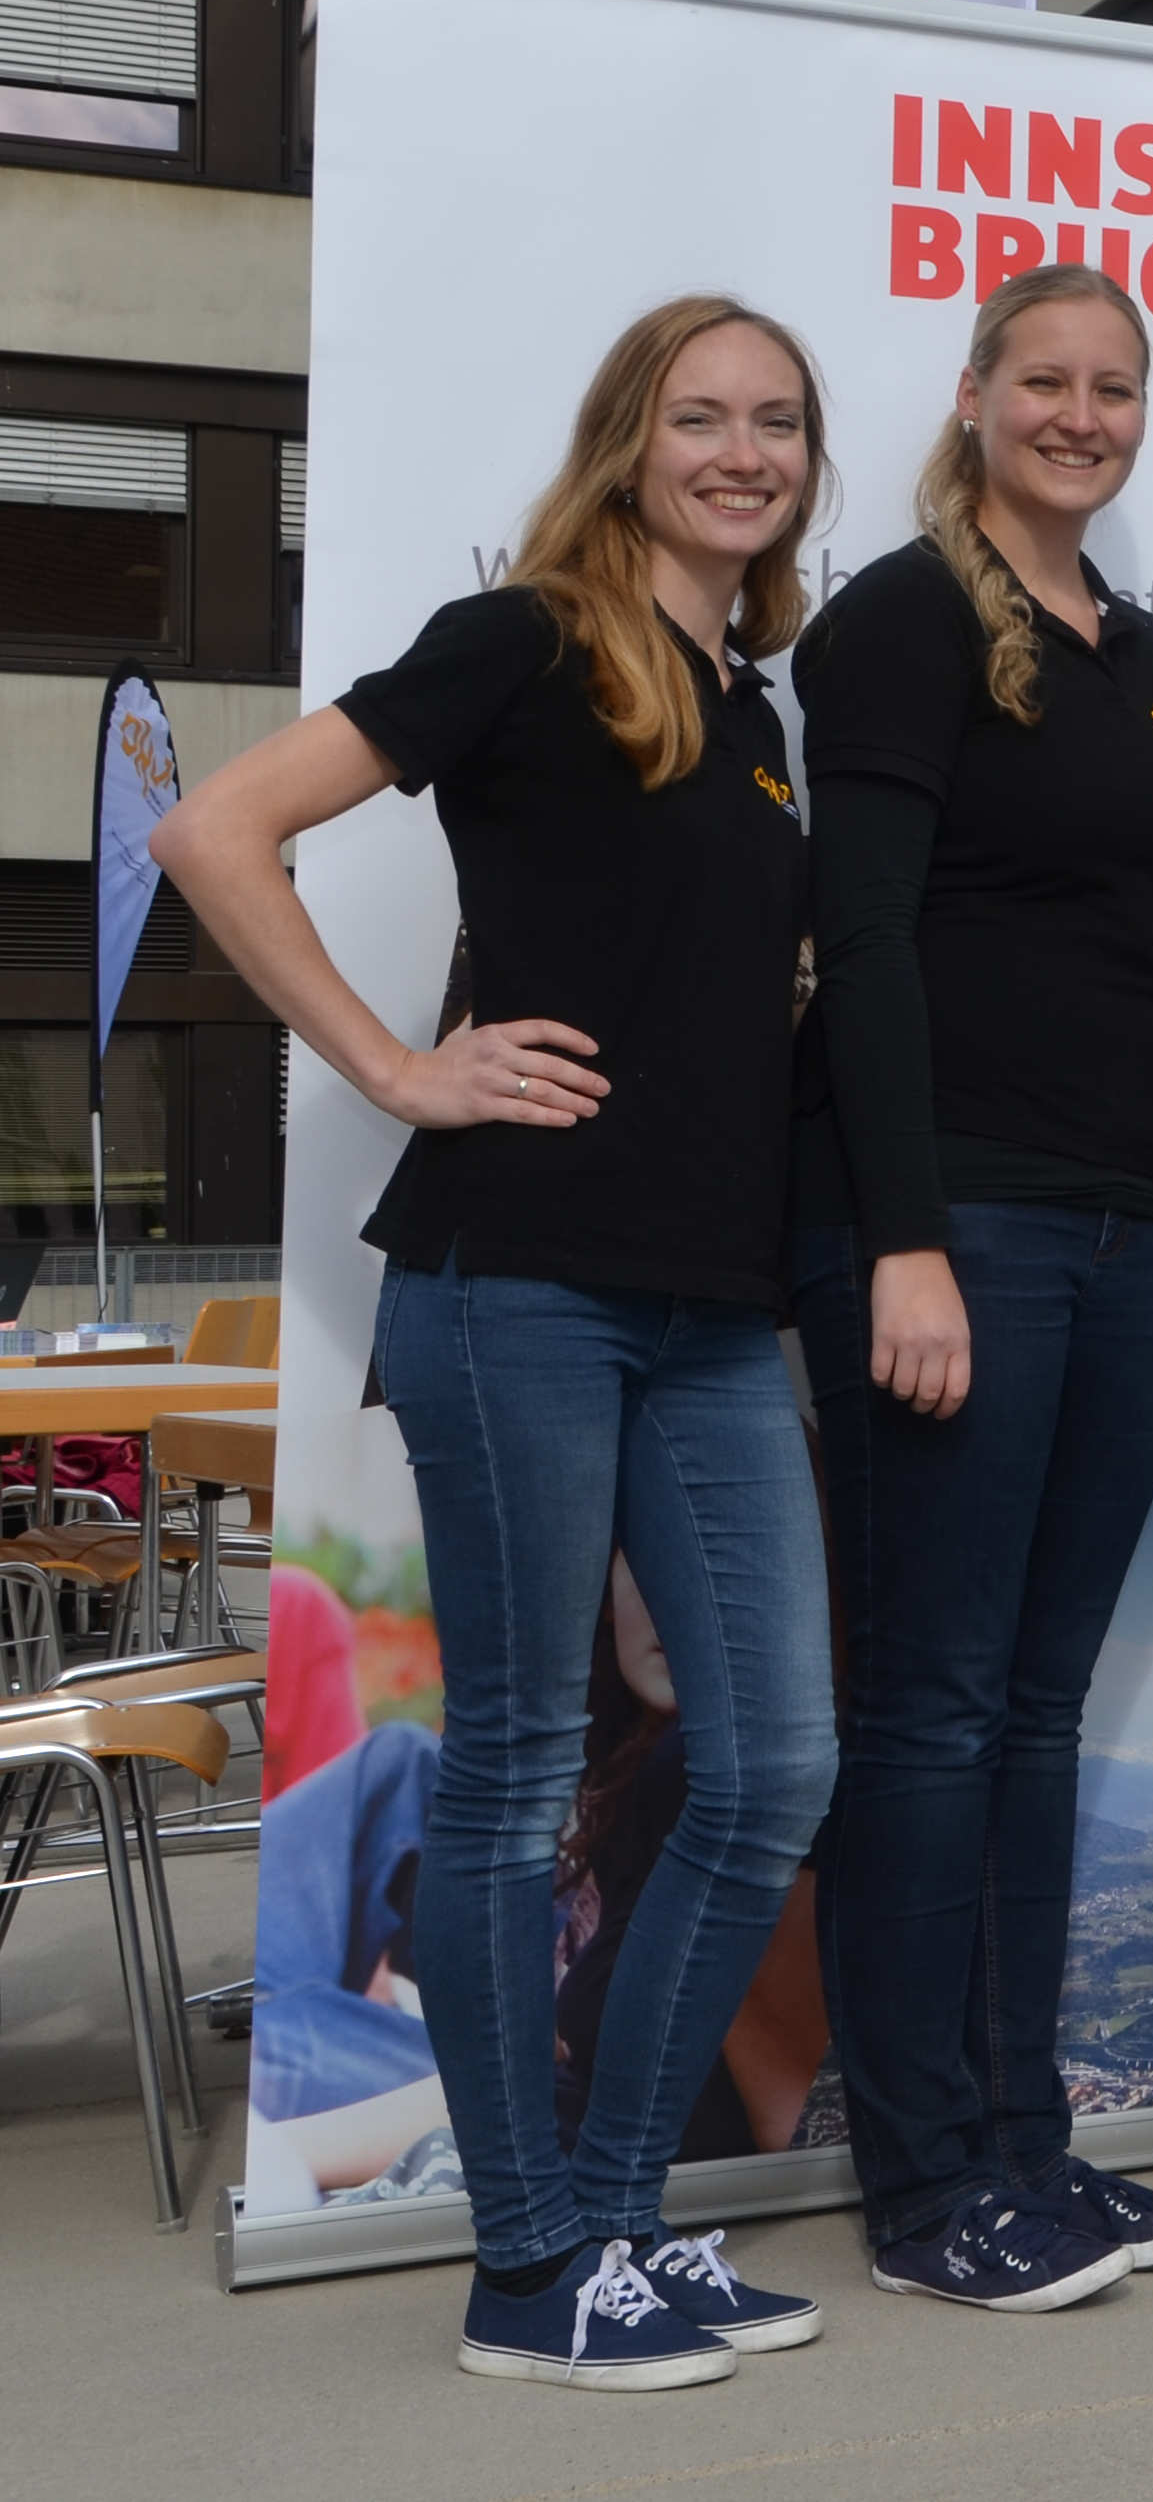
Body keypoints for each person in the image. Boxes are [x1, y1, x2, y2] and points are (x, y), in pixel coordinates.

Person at [155, 296, 840, 2387]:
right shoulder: (530, 638)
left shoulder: (753, 698)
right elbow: (215, 826)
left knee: (772, 1761)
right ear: (628, 438)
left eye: (779, 423)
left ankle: (619, 2223)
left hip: (714, 1315)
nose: (743, 450)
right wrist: (396, 1064)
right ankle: (528, 2261)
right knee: (524, 1778)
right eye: (701, 416)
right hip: (518, 1284)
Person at [785, 263, 1153, 2309]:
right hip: (963, 1225)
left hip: (1143, 1231)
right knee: (937, 1704)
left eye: (1112, 384)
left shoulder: (1150, 657)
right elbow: (862, 946)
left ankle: (1029, 2140)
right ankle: (924, 2175)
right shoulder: (893, 624)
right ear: (973, 400)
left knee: (1035, 1706)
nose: (1079, 411)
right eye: (1042, 378)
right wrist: (902, 1236)